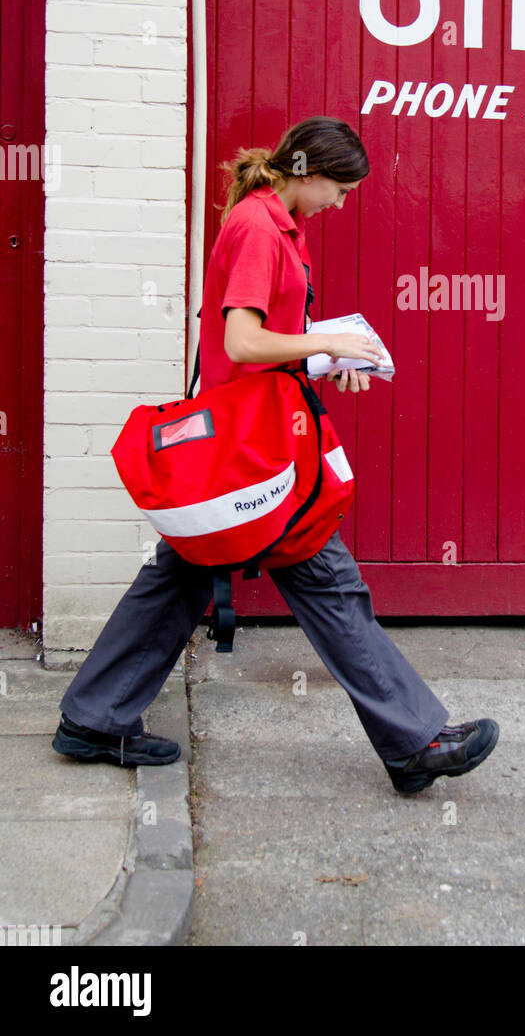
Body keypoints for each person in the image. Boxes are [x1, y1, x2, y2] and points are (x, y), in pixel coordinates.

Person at [53, 115, 499, 795]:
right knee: (328, 583)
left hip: (244, 445)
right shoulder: (262, 230)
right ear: (308, 173)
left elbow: (270, 341)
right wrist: (327, 348)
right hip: (254, 452)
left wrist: (322, 358)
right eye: (339, 190)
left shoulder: (268, 221)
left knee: (181, 577)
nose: (340, 205)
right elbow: (241, 343)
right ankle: (414, 744)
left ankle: (93, 717)